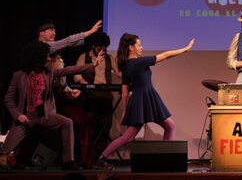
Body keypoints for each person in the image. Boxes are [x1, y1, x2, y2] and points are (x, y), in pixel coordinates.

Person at [1, 41, 102, 171]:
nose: (49, 58)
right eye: (46, 56)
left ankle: (68, 161)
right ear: (38, 57)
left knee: (67, 122)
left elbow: (68, 70)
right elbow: (8, 99)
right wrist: (18, 116)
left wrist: (92, 65)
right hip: (25, 118)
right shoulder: (19, 75)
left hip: (44, 116)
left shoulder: (49, 72)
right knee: (3, 155)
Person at [96, 33, 195, 166]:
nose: (141, 48)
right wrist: (185, 49)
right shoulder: (139, 62)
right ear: (131, 47)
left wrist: (125, 111)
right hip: (145, 98)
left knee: (134, 135)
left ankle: (103, 157)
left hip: (141, 99)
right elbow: (165, 55)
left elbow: (125, 93)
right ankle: (103, 157)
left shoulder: (126, 65)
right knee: (167, 127)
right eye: (139, 45)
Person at [59, 32, 121, 168]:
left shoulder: (109, 58)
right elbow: (76, 74)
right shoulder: (84, 57)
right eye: (100, 47)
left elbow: (118, 73)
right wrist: (83, 81)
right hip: (89, 94)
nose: (102, 50)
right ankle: (87, 157)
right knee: (91, 124)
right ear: (93, 46)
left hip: (105, 95)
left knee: (105, 125)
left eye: (104, 47)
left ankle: (99, 156)